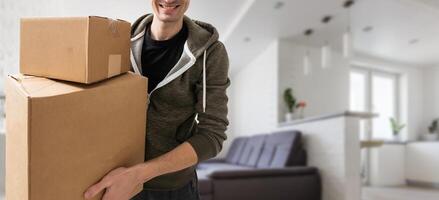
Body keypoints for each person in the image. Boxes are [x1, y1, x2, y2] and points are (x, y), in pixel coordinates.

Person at [84, 0, 230, 199]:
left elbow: (213, 135)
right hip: (115, 182)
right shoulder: (117, 42)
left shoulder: (210, 53)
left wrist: (138, 174)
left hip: (173, 188)